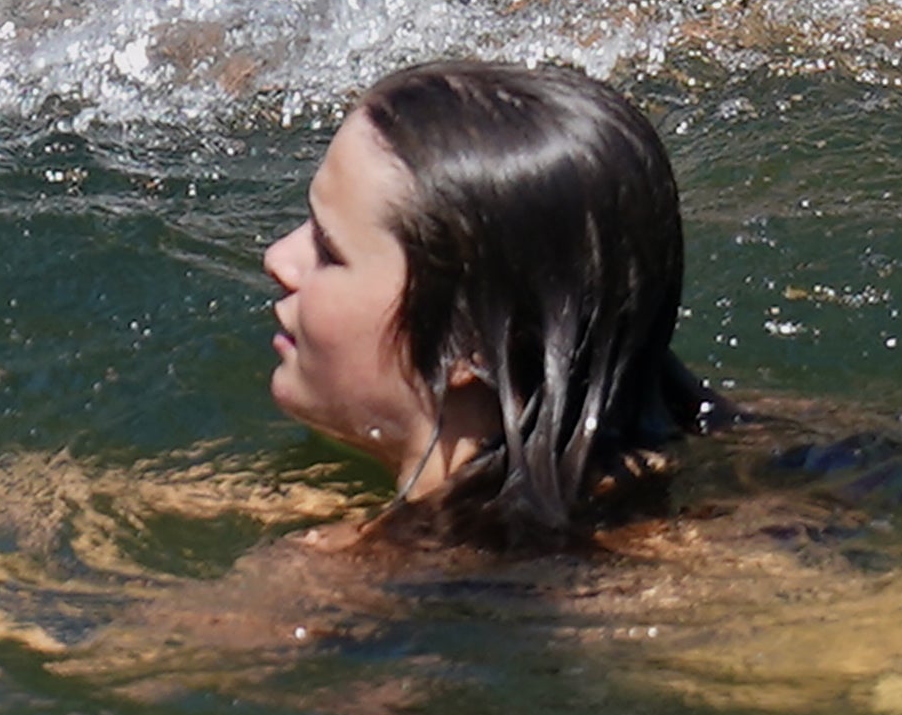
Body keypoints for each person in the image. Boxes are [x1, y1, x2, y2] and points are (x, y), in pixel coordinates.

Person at [261, 61, 724, 557]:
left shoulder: (354, 573)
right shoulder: (706, 444)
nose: (278, 259)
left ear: (470, 345)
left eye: (330, 251)